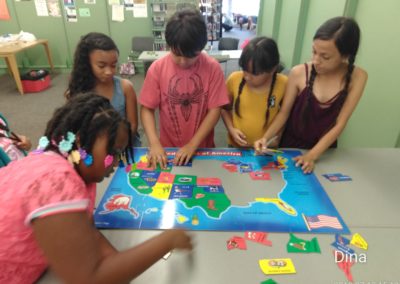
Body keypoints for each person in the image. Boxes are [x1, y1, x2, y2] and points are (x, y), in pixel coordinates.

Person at [0, 93, 192, 283]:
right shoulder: (57, 182)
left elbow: (85, 228)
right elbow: (89, 279)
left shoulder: (63, 165)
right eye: (113, 152)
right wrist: (168, 240)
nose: (116, 162)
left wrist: (118, 264)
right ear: (80, 141)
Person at [254, 17, 368, 173]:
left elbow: (340, 123)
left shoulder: (358, 77)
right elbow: (284, 113)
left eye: (325, 57)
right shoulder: (298, 72)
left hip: (324, 152)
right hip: (290, 147)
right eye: (314, 51)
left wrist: (312, 155)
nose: (316, 60)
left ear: (345, 56)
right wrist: (265, 138)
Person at [140, 8, 229, 168]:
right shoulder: (157, 68)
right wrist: (153, 142)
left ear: (202, 47)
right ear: (169, 46)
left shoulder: (213, 68)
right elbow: (147, 109)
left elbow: (215, 110)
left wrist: (193, 144)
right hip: (168, 149)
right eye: (176, 54)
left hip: (203, 150)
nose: (182, 61)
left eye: (190, 56)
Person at [65, 32, 141, 147]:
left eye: (113, 65)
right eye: (101, 66)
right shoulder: (76, 92)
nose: (109, 71)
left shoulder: (125, 88)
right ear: (87, 64)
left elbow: (133, 126)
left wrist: (117, 147)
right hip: (93, 149)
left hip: (123, 146)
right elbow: (75, 127)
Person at [221, 37, 287, 148]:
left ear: (272, 69)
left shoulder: (283, 83)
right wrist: (231, 129)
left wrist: (274, 136)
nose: (247, 77)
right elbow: (224, 108)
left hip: (267, 147)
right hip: (236, 146)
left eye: (254, 74)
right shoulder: (234, 79)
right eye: (244, 70)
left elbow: (284, 113)